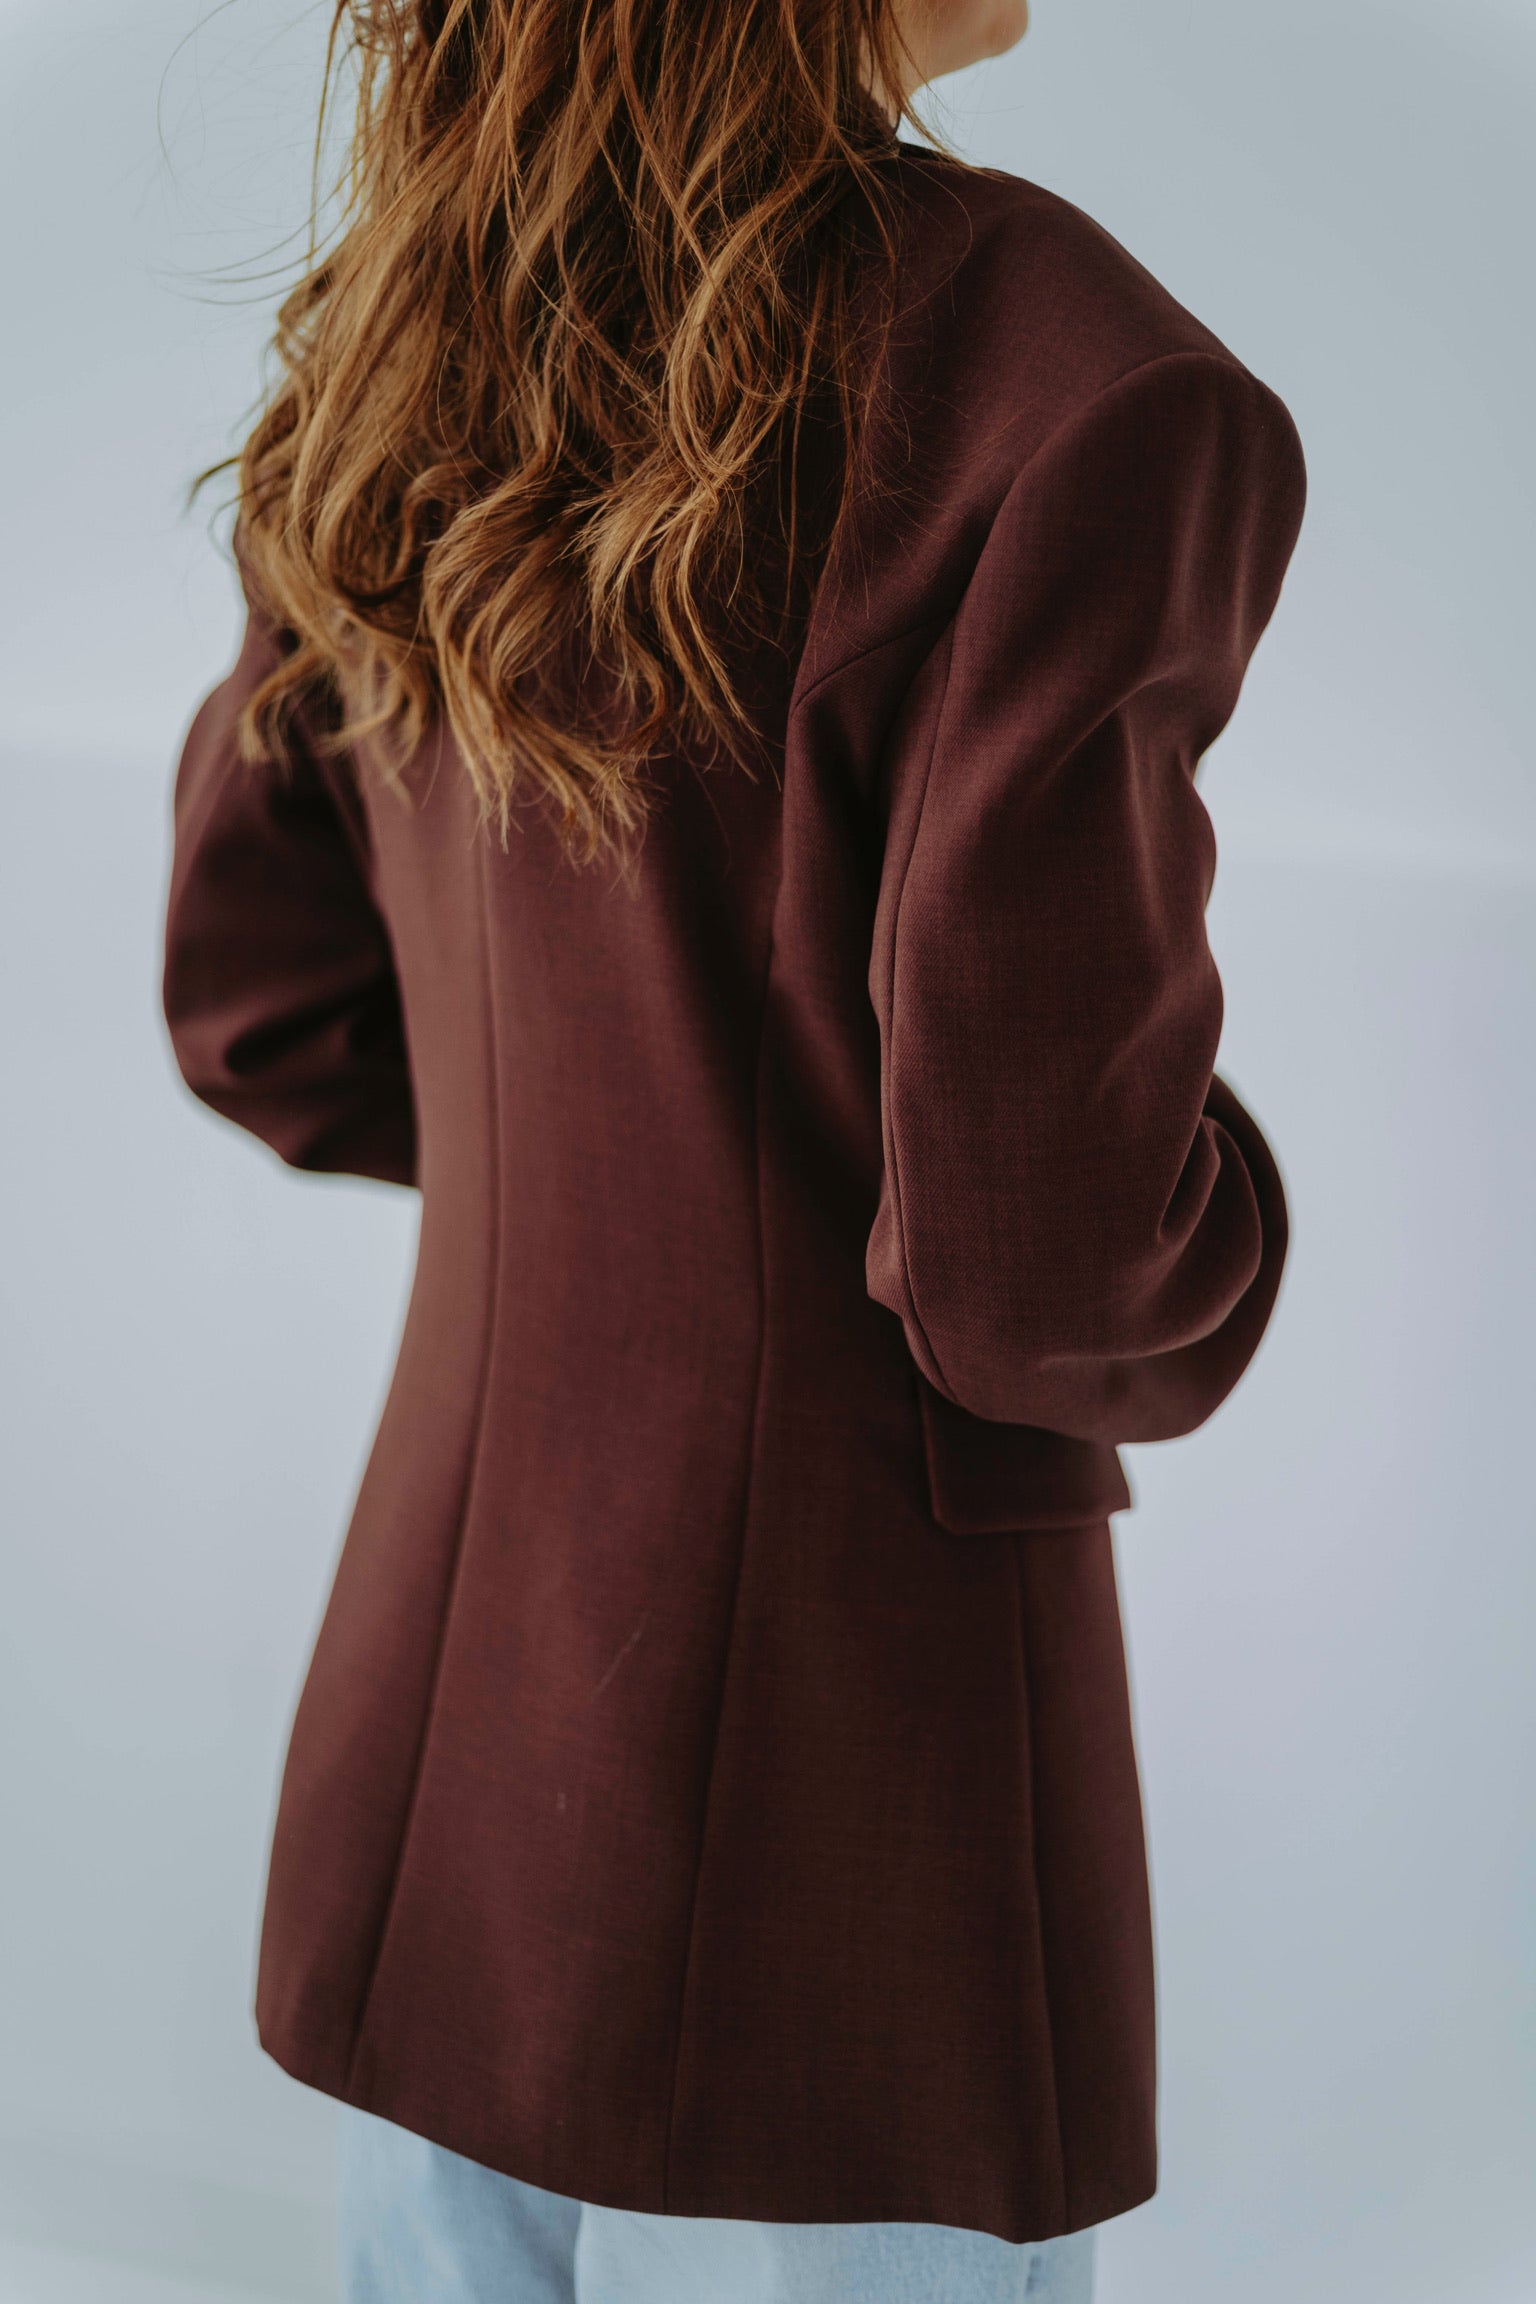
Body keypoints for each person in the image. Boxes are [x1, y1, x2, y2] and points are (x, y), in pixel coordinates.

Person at [161, 0, 1306, 2291]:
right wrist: (1233, 1225)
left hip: (453, 1727)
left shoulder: (420, 319)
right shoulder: (1078, 387)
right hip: (855, 1783)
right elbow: (1039, 1259)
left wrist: (598, 1180)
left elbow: (267, 1007)